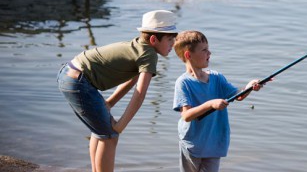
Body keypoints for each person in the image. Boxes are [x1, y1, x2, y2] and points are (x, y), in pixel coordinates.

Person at [57, 10, 178, 172]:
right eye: (170, 39)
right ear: (154, 39)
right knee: (110, 136)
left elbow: (132, 79)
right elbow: (140, 93)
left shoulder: (138, 46)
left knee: (101, 131)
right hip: (79, 81)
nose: (173, 44)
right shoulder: (149, 55)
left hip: (69, 74)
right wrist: (121, 125)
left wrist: (109, 103)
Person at [172, 30, 263, 172]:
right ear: (188, 55)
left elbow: (238, 95)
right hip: (193, 143)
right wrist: (211, 104)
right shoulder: (183, 83)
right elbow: (186, 115)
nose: (209, 53)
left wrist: (249, 87)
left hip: (214, 142)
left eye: (208, 49)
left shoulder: (216, 77)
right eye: (204, 50)